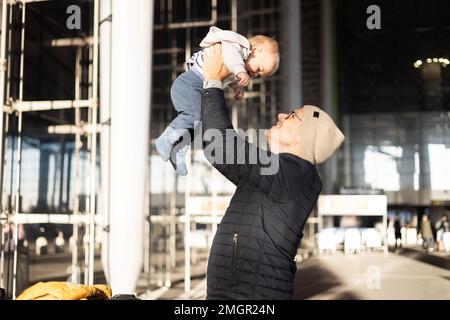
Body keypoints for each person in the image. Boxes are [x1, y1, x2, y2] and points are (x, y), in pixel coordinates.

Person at [201, 44, 345, 299]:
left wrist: (213, 82)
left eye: (292, 116)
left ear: (304, 139)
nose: (280, 115)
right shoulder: (280, 175)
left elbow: (220, 146)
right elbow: (221, 151)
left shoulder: (294, 176)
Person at [155, 26, 280, 176]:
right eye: (259, 69)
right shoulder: (238, 46)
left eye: (259, 75)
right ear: (257, 50)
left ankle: (178, 149)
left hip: (198, 88)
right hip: (190, 82)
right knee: (193, 115)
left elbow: (228, 73)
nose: (256, 74)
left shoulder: (238, 63)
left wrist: (236, 87)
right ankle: (165, 138)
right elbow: (230, 57)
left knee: (197, 123)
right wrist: (240, 71)